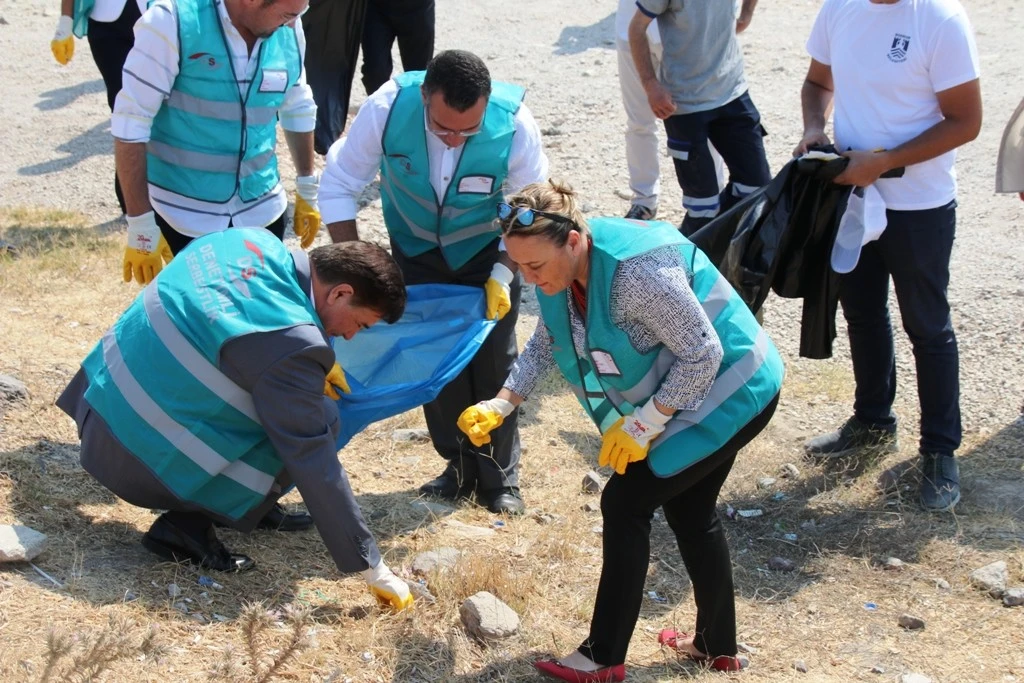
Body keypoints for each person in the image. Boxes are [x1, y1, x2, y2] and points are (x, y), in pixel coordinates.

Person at [457, 181, 784, 680]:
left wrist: (644, 423)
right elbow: (549, 339)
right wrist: (503, 403)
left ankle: (602, 657)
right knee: (691, 510)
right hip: (694, 389)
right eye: (518, 265)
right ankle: (718, 648)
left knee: (625, 503)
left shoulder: (638, 275)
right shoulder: (562, 275)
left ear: (573, 241)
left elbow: (704, 354)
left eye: (536, 267)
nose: (528, 277)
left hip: (735, 388)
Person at [57, 228, 414, 610]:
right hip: (134, 461)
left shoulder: (246, 240)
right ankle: (186, 527)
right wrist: (372, 565)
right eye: (359, 324)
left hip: (98, 405)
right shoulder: (293, 344)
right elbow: (313, 458)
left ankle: (251, 505)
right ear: (340, 292)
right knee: (322, 418)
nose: (349, 336)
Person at [319, 49, 549, 515]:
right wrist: (358, 270)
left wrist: (503, 275)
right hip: (417, 252)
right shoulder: (385, 110)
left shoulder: (515, 123)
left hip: (487, 255)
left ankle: (500, 479)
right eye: (444, 128)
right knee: (434, 360)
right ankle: (458, 467)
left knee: (493, 361)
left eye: (469, 131)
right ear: (426, 97)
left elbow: (530, 210)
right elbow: (341, 183)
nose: (455, 139)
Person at [795, 0, 982, 512]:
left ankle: (940, 451)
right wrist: (815, 128)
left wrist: (885, 162)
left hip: (919, 204)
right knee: (861, 311)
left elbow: (966, 121)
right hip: (853, 197)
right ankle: (873, 420)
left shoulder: (940, 20)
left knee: (928, 325)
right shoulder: (840, 9)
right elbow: (818, 83)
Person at [112, 0, 323, 286]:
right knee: (197, 325)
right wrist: (141, 227)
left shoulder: (289, 28)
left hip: (262, 212)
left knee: (258, 319)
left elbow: (297, 106)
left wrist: (307, 188)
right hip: (183, 218)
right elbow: (130, 124)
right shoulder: (171, 21)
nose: (290, 24)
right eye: (287, 14)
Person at [628, 0, 771, 235]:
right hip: (684, 104)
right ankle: (695, 256)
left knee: (756, 189)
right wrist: (650, 84)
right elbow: (636, 28)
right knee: (702, 207)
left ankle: (723, 245)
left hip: (733, 92)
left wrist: (746, 13)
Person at [614, 0, 724, 222]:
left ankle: (716, 197)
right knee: (639, 122)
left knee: (704, 117)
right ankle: (644, 200)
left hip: (686, 31)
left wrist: (743, 15)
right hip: (631, 25)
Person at [51, 0, 147, 215]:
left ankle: (165, 204)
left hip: (159, 19)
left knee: (162, 108)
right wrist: (65, 21)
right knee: (123, 110)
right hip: (106, 24)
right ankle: (131, 205)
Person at [359, 0, 435, 97]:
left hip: (418, 9)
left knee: (418, 75)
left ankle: (414, 109)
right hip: (376, 8)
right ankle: (382, 109)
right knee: (374, 72)